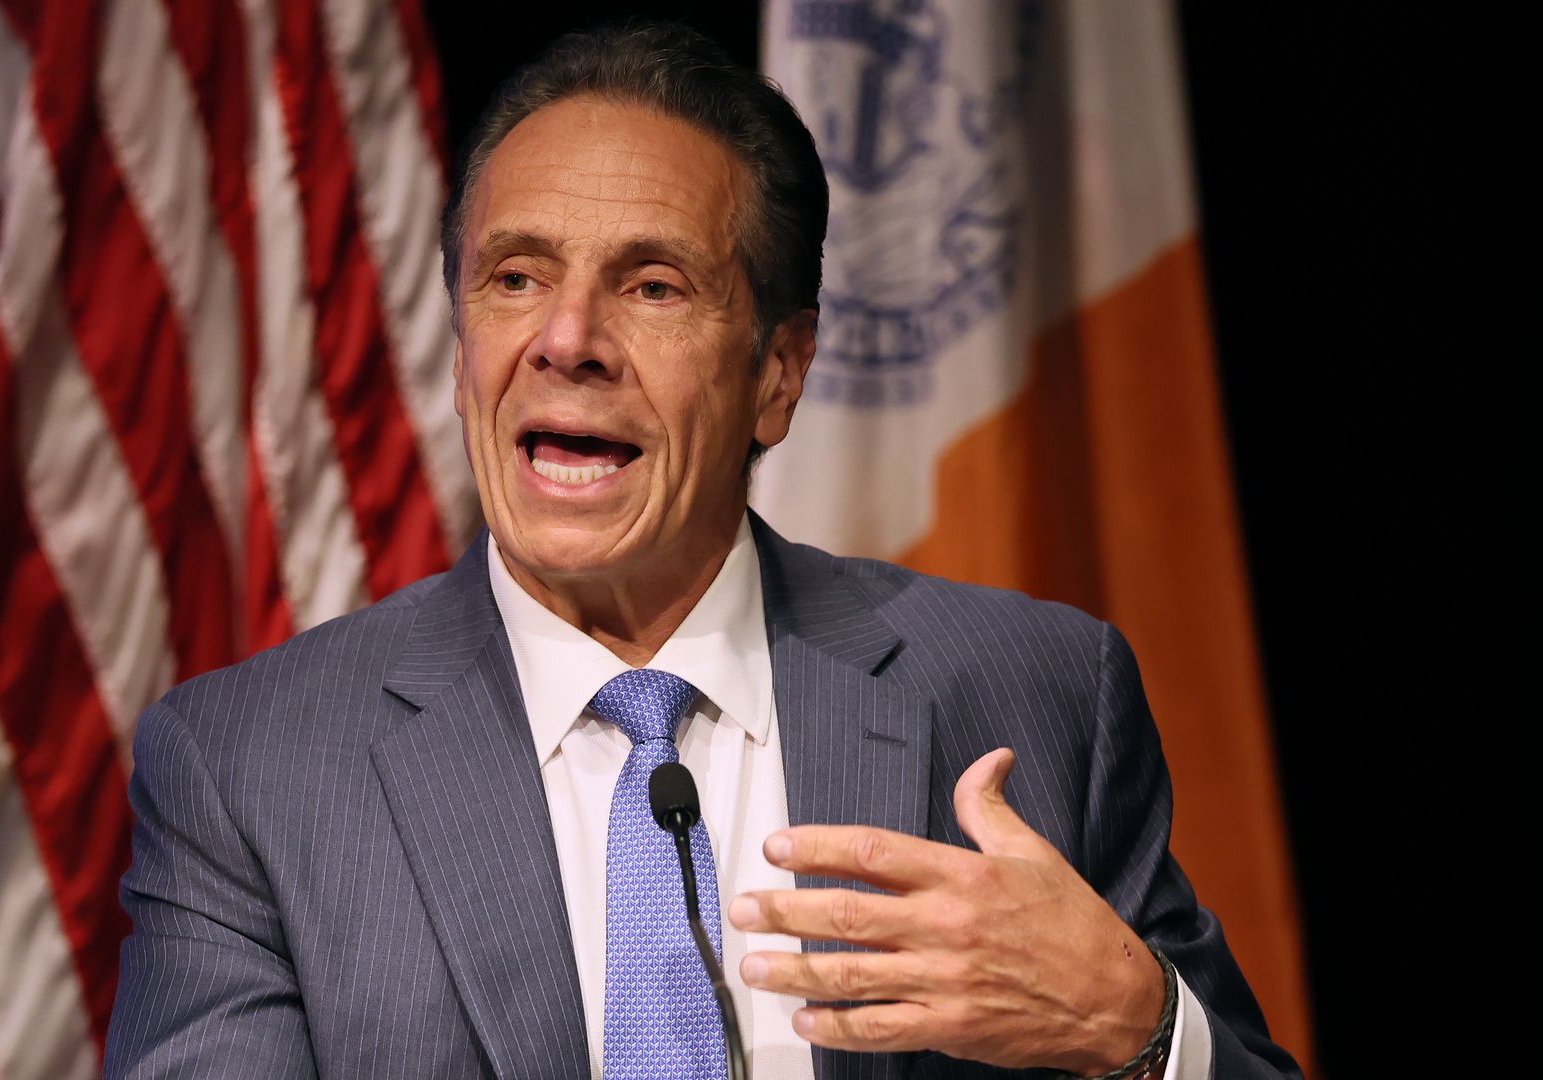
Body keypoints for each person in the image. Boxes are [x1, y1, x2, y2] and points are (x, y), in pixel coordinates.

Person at [103, 21, 1302, 1080]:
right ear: (462, 340)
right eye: (515, 277)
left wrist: (1130, 1028)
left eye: (654, 287)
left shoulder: (1034, 693)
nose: (566, 340)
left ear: (777, 375)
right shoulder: (252, 771)